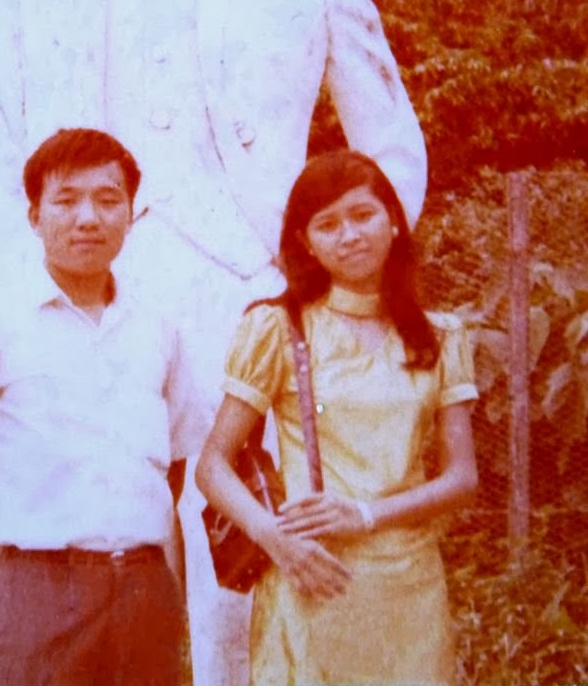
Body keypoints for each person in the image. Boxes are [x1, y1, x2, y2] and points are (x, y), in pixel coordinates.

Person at [0, 0, 428, 686]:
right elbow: (5, 171)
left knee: (254, 566)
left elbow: (390, 145)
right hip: (89, 321)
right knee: (100, 563)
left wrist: (346, 296)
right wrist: (3, 344)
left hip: (253, 304)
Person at [0, 128, 205, 686]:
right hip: (39, 593)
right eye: (66, 200)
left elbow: (172, 462)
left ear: (131, 213)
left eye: (108, 200)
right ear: (34, 217)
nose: (88, 218)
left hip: (144, 595)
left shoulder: (158, 332)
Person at [196, 150, 478, 686]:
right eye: (327, 225)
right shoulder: (279, 329)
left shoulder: (440, 337)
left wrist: (365, 515)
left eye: (362, 215)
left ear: (393, 221)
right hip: (312, 577)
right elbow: (212, 465)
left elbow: (462, 478)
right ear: (306, 242)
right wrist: (274, 539)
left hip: (410, 591)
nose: (349, 235)